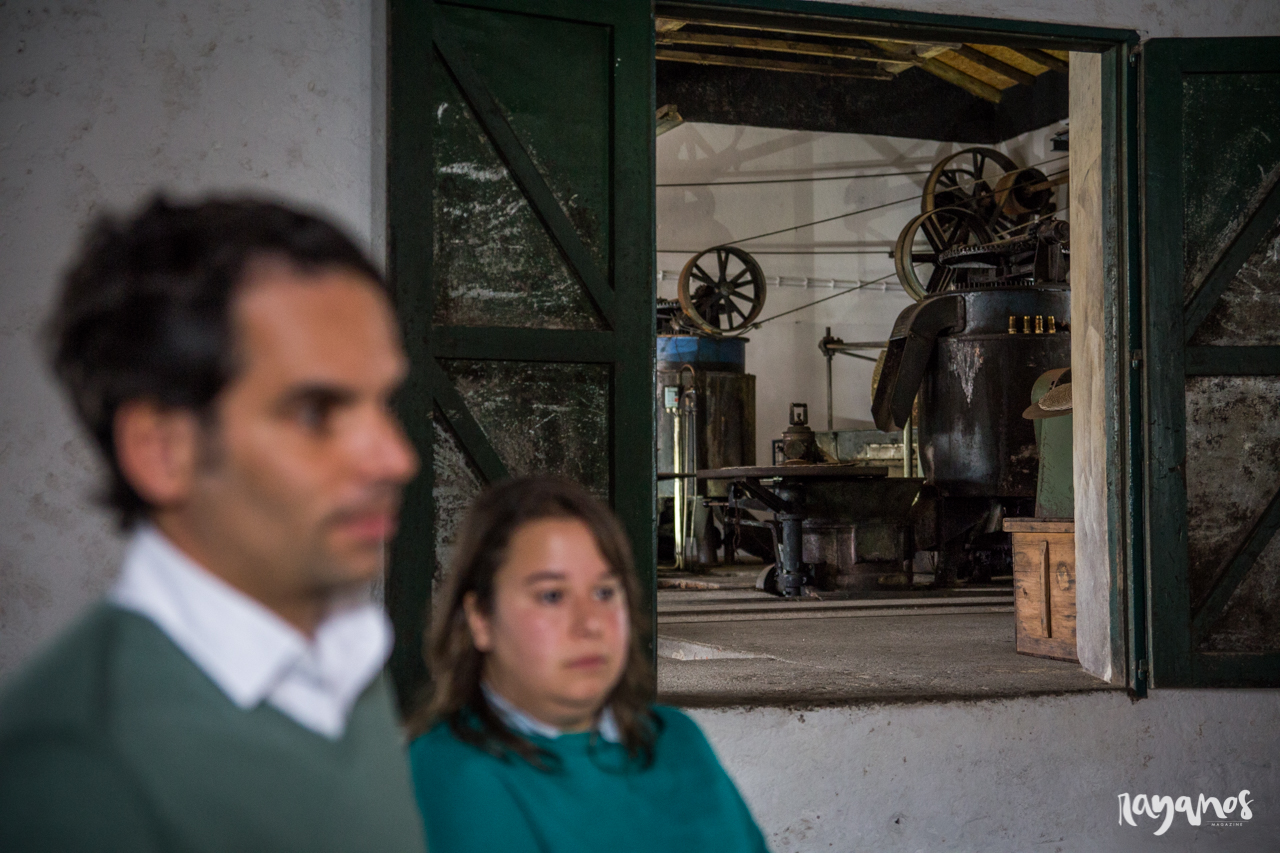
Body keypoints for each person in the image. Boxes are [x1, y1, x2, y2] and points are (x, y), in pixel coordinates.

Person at [0, 197, 428, 852]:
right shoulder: (72, 771)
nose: (397, 458)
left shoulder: (348, 665)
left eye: (383, 402)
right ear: (163, 450)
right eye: (317, 413)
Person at [408, 475, 770, 853]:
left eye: (604, 592)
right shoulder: (452, 772)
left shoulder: (675, 740)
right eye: (551, 595)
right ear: (481, 618)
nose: (589, 623)